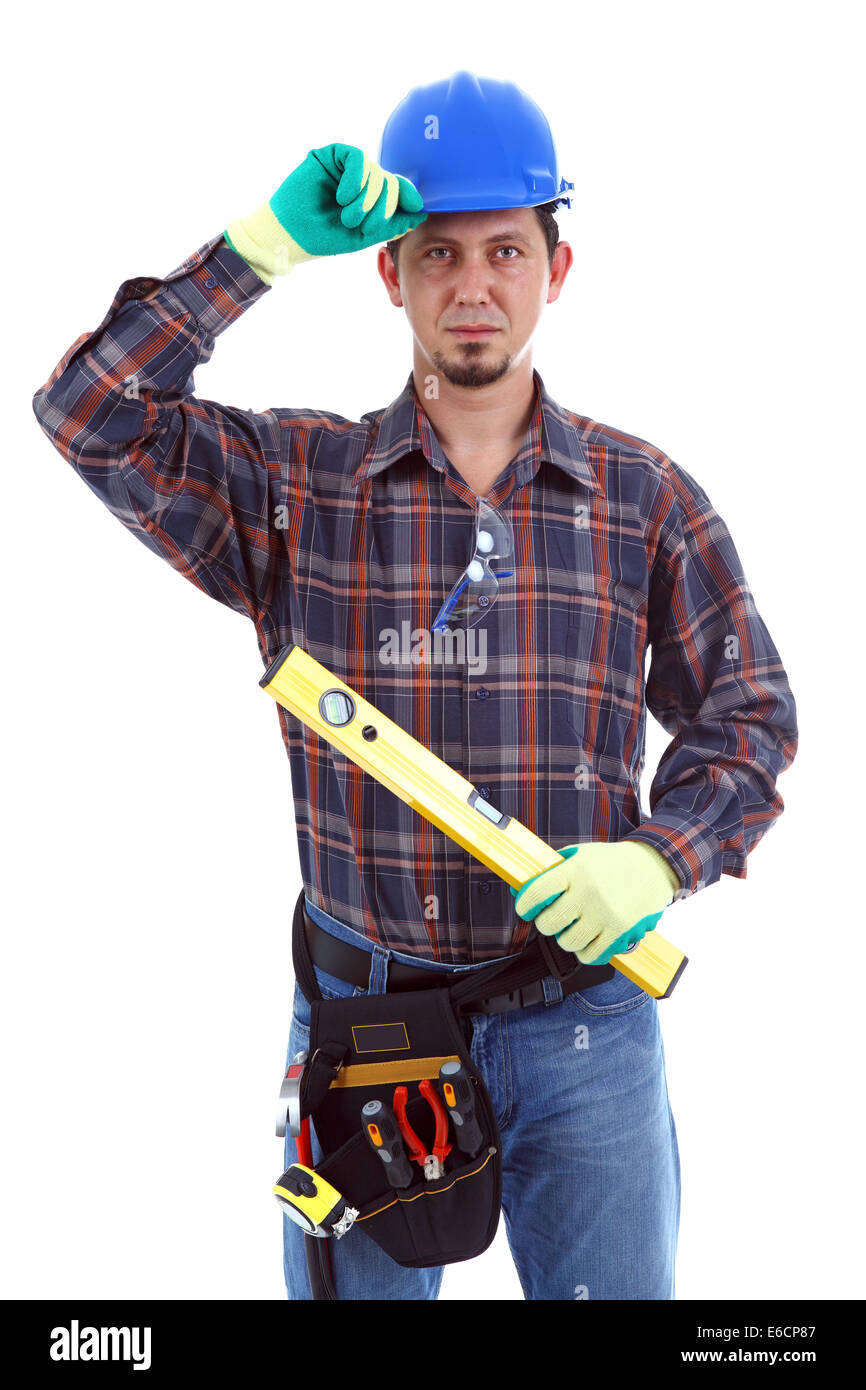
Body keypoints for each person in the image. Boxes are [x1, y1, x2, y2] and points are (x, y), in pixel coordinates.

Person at [32, 70, 798, 1301]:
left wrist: (657, 858)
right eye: (435, 252)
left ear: (558, 268)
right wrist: (262, 247)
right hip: (364, 1030)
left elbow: (747, 712)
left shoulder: (645, 497)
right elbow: (88, 413)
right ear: (386, 272)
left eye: (505, 249)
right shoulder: (296, 482)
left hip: (584, 1032)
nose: (473, 285)